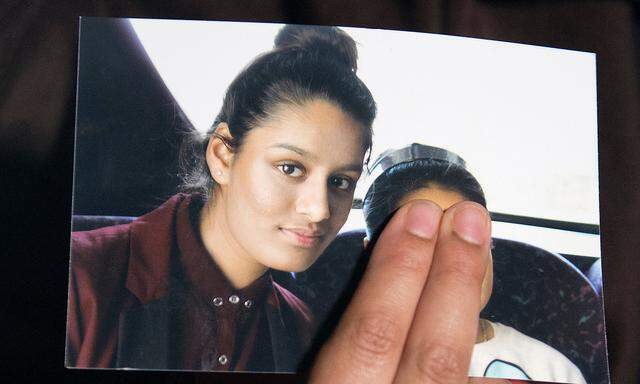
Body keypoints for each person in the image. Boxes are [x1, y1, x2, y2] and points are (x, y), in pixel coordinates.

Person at [66, 24, 376, 372]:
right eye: (290, 168)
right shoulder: (79, 280)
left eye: (340, 181)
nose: (319, 209)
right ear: (222, 156)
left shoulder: (301, 331)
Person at [360, 143, 587, 384]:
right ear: (371, 256)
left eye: (470, 238)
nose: (454, 265)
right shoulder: (356, 366)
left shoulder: (552, 371)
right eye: (424, 240)